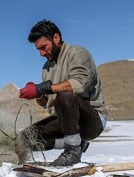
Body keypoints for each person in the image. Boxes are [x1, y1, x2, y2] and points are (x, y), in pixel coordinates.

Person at [18, 19, 108, 166]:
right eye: (38, 50)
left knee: (65, 96)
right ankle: (78, 144)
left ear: (56, 38)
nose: (41, 53)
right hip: (66, 121)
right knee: (27, 138)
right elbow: (47, 104)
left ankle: (72, 151)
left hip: (92, 120)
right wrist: (38, 94)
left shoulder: (78, 54)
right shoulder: (46, 67)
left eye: (43, 47)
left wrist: (42, 87)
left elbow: (78, 85)